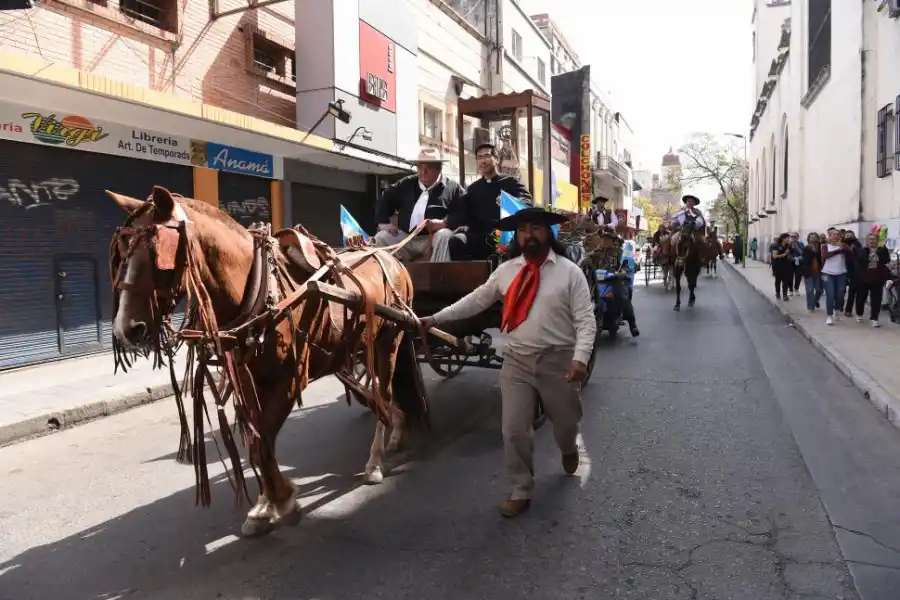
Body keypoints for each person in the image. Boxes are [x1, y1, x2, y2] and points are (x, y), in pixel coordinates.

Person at [420, 207, 596, 518]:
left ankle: (568, 448)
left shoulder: (570, 272)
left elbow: (586, 320)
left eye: (537, 228)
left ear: (549, 233)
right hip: (516, 360)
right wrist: (436, 318)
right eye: (524, 229)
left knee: (567, 422)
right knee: (514, 430)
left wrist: (580, 358)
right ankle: (521, 489)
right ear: (517, 235)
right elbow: (476, 300)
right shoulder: (506, 271)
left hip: (558, 361)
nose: (530, 234)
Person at [373, 147, 466, 262]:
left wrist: (445, 222)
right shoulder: (406, 184)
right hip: (405, 238)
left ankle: (439, 276)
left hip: (431, 240)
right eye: (420, 167)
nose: (423, 172)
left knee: (444, 235)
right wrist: (383, 222)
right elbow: (386, 198)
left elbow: (464, 211)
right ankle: (389, 278)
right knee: (381, 237)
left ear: (439, 169)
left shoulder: (453, 188)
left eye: (428, 168)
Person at [449, 143, 533, 260]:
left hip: (505, 233)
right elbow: (464, 211)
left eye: (487, 156)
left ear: (497, 159)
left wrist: (508, 200)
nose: (483, 161)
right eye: (480, 157)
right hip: (480, 235)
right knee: (457, 240)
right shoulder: (473, 188)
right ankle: (465, 277)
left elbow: (526, 202)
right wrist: (464, 224)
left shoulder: (511, 181)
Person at [853, 232, 891, 327]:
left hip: (877, 278)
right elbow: (861, 260)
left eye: (874, 239)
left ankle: (874, 318)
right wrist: (871, 254)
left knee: (876, 299)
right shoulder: (863, 250)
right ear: (867, 241)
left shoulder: (882, 250)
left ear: (877, 241)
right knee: (861, 297)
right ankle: (859, 313)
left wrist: (881, 251)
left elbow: (886, 260)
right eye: (870, 239)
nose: (872, 241)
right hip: (864, 278)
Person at [821, 227, 850, 325]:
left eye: (838, 234)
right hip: (827, 273)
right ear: (830, 236)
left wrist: (844, 248)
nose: (836, 236)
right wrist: (839, 250)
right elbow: (825, 256)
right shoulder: (825, 246)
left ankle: (836, 311)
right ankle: (829, 316)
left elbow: (851, 256)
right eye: (834, 234)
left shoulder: (844, 245)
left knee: (840, 293)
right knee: (830, 295)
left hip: (841, 273)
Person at [841, 230, 862, 318]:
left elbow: (859, 255)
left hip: (854, 270)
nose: (849, 236)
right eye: (847, 234)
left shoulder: (857, 244)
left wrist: (854, 248)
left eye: (851, 234)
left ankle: (848, 310)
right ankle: (839, 305)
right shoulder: (841, 244)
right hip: (842, 269)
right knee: (841, 290)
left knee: (852, 292)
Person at [800, 232, 823, 312]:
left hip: (818, 272)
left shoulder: (820, 248)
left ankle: (815, 301)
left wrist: (816, 251)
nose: (813, 239)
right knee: (810, 290)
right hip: (809, 272)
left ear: (817, 238)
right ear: (808, 239)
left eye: (814, 237)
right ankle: (810, 306)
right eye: (811, 237)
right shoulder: (806, 248)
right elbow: (805, 261)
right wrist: (805, 273)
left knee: (819, 290)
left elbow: (821, 259)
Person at [770, 233, 792, 300]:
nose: (789, 239)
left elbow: (789, 255)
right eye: (787, 238)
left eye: (789, 238)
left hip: (787, 265)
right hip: (778, 265)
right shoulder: (776, 245)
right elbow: (774, 256)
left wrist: (789, 255)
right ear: (783, 238)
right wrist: (784, 254)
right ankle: (778, 293)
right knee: (778, 280)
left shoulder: (788, 246)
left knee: (786, 280)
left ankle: (785, 295)